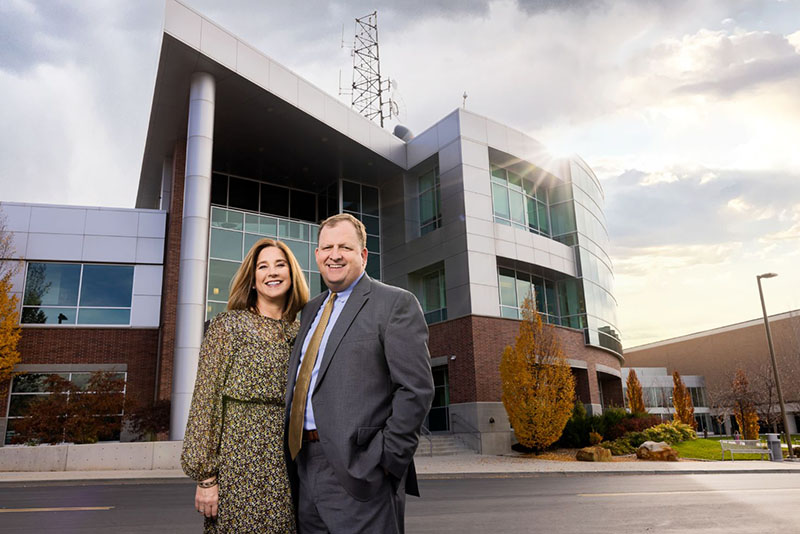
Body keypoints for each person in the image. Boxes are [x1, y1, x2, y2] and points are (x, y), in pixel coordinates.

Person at [285, 213, 434, 534]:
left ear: (363, 255)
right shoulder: (310, 310)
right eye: (326, 247)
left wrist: (385, 461)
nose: (334, 254)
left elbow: (416, 390)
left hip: (361, 470)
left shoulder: (394, 303)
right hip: (304, 466)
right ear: (317, 255)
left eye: (345, 247)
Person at [181, 238, 309, 533]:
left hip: (291, 467)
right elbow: (205, 401)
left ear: (291, 274)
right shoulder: (228, 326)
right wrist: (206, 478)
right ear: (252, 280)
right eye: (263, 267)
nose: (272, 272)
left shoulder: (302, 330)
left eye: (280, 265)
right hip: (239, 466)